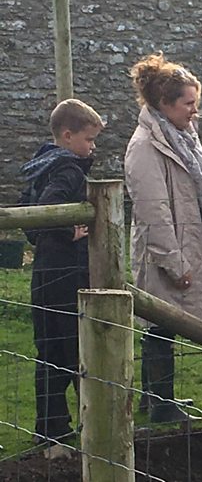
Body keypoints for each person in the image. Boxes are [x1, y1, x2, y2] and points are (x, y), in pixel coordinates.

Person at [125, 53, 202, 423]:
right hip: (164, 253)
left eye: (195, 104)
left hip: (188, 245)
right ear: (164, 103)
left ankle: (160, 400)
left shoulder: (181, 137)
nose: (193, 112)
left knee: (166, 327)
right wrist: (174, 261)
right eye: (188, 104)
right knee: (159, 325)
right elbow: (154, 212)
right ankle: (159, 403)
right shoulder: (146, 146)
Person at [20, 99, 104, 445]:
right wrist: (67, 231)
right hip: (66, 272)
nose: (92, 147)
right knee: (69, 349)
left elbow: (26, 209)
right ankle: (69, 426)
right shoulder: (68, 169)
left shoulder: (41, 164)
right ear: (67, 136)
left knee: (49, 349)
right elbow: (45, 207)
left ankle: (51, 425)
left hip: (44, 269)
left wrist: (39, 234)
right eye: (89, 139)